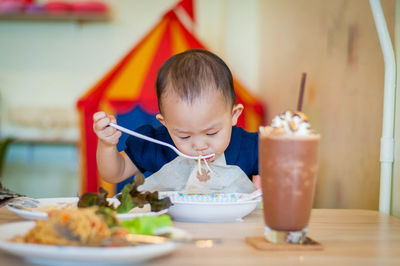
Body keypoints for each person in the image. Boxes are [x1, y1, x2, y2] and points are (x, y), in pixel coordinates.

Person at [93, 49, 259, 185]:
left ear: (233, 115)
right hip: (170, 226)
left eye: (211, 133)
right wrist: (107, 145)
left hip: (232, 226)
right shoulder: (156, 145)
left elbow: (282, 169)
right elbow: (115, 174)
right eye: (184, 136)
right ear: (165, 123)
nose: (199, 146)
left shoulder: (249, 147)